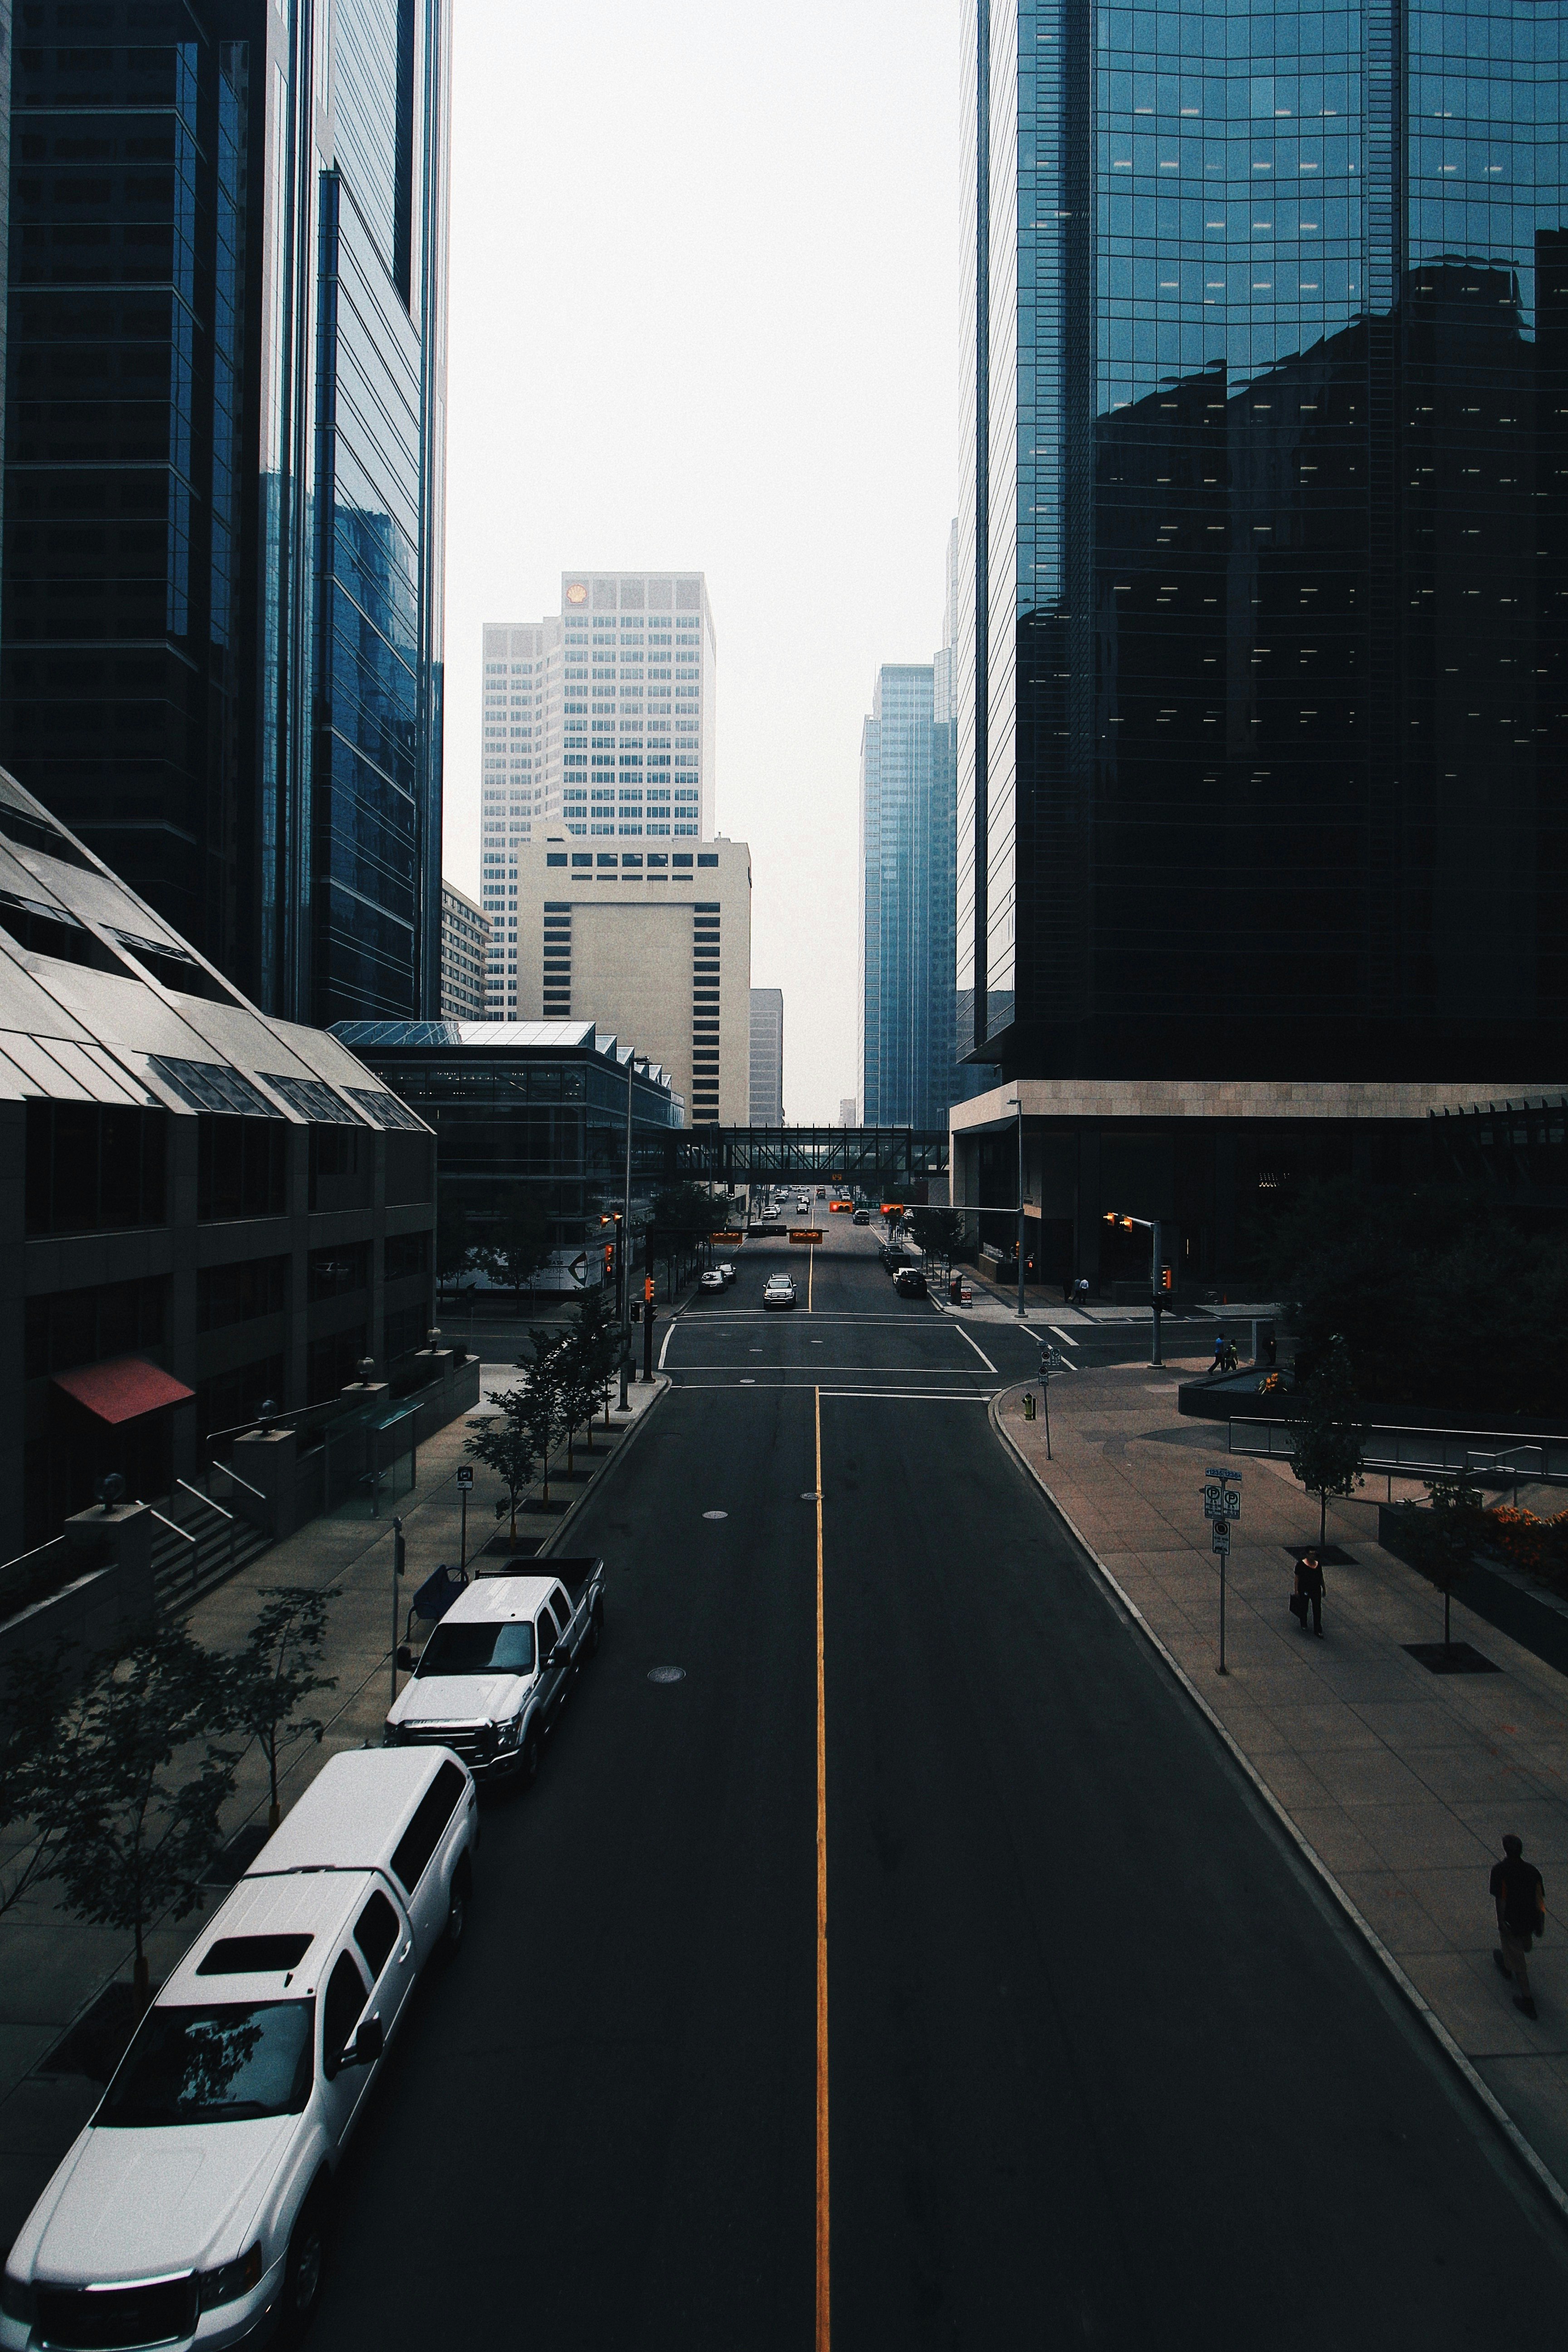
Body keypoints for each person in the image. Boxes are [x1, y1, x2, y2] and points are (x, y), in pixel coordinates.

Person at [1491, 1833, 1546, 2019]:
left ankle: (1528, 2001)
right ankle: (1507, 1962)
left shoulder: (1501, 1871)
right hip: (1529, 1921)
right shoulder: (1533, 1872)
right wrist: (1540, 1923)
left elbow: (1502, 1899)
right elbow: (1539, 1900)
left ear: (1505, 1850)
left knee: (1519, 1963)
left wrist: (1501, 1922)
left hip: (1512, 1923)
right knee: (1523, 1946)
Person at [1295, 1549, 1325, 1637]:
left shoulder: (1318, 1565)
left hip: (1316, 1590)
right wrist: (1296, 1590)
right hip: (1305, 1589)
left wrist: (1324, 1588)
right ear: (1307, 1555)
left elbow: (1321, 1577)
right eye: (1311, 1554)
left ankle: (1318, 1629)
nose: (1313, 1556)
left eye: (1314, 1554)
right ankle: (1303, 1622)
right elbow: (1297, 1578)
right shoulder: (1301, 1565)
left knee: (1317, 1609)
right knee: (1304, 1607)